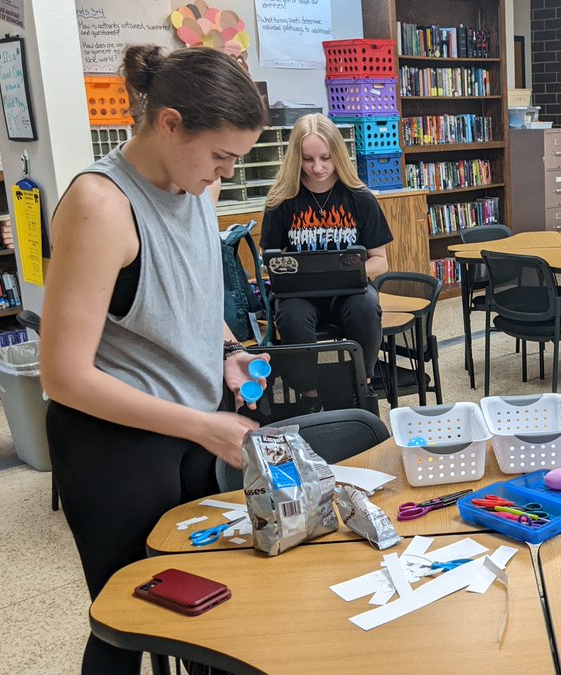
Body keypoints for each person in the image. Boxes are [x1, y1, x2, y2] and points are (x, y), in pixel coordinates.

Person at [40, 46, 268, 674]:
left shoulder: (194, 185)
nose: (225, 174)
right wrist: (201, 424)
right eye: (220, 156)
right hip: (116, 445)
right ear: (170, 123)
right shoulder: (100, 205)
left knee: (211, 609)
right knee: (129, 623)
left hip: (195, 427)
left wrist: (228, 350)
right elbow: (64, 376)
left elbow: (191, 296)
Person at [260, 113, 392, 409]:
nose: (317, 167)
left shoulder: (360, 198)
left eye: (325, 158)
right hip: (300, 295)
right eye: (308, 159)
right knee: (292, 317)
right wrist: (282, 269)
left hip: (349, 292)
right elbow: (269, 261)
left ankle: (362, 384)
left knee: (365, 307)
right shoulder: (281, 200)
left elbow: (380, 261)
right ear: (296, 158)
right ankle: (309, 396)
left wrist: (342, 271)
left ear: (338, 155)